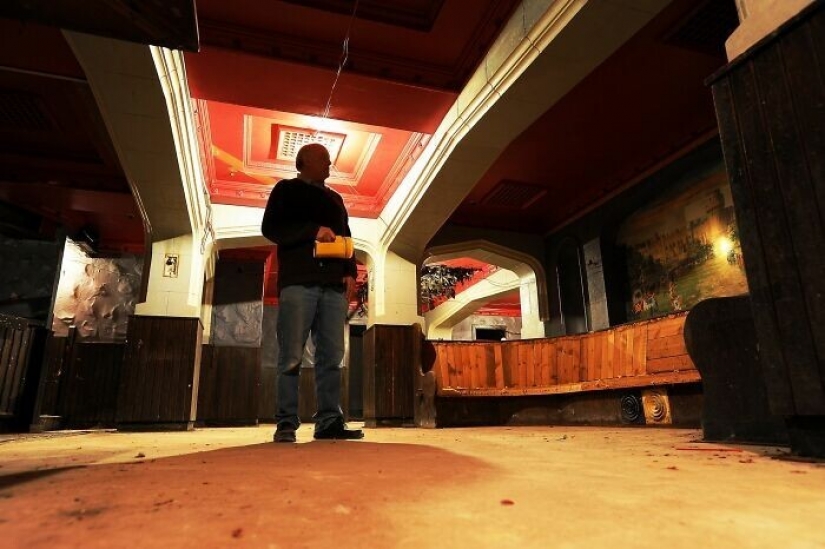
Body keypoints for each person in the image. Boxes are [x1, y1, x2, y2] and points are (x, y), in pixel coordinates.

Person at [261, 143, 363, 442]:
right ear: (302, 161)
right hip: (298, 282)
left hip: (333, 285)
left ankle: (330, 422)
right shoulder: (285, 190)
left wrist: (350, 272)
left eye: (329, 160)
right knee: (291, 356)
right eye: (323, 159)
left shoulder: (335, 198)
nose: (329, 163)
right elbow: (271, 228)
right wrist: (312, 230)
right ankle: (286, 424)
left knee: (332, 356)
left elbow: (346, 235)